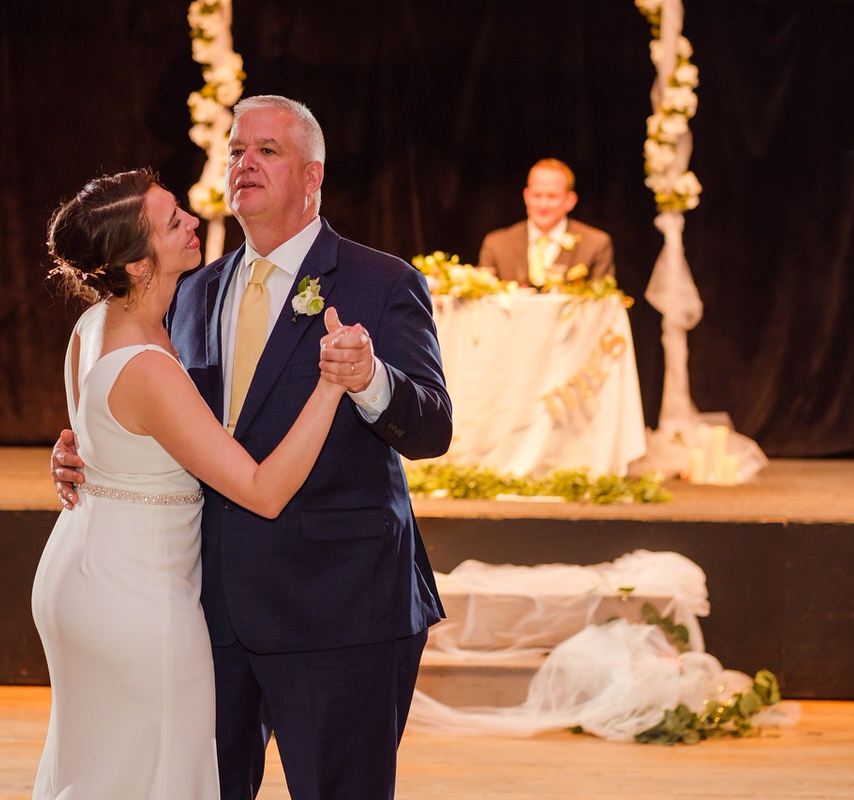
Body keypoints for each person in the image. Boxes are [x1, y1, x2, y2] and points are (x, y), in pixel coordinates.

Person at [52, 95, 452, 799]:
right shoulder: (190, 291)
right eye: (236, 150)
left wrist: (371, 380)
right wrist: (91, 447)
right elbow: (161, 416)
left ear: (312, 176)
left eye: (267, 150)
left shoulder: (381, 282)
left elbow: (433, 428)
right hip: (210, 615)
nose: (244, 163)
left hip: (341, 613)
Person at [31, 167, 362, 799]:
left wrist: (76, 453)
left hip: (82, 570)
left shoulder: (94, 324)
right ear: (134, 263)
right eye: (171, 221)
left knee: (101, 770)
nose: (191, 221)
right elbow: (263, 490)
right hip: (137, 596)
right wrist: (330, 383)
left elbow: (102, 431)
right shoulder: (150, 366)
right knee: (157, 774)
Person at [478, 158, 616, 287]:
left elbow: (602, 307)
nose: (543, 205)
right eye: (537, 195)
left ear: (570, 200)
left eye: (552, 196)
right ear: (526, 196)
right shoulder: (496, 244)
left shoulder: (595, 244)